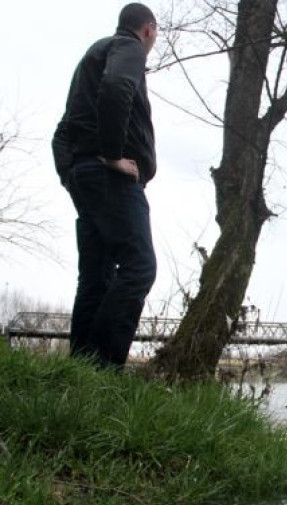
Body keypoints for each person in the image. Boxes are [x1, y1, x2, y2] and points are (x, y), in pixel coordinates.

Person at [52, 3, 159, 369]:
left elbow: (63, 130)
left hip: (85, 176)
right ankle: (102, 369)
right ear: (148, 30)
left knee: (97, 274)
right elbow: (117, 87)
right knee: (139, 266)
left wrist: (70, 173)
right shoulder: (126, 47)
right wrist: (113, 155)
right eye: (154, 36)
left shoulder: (89, 60)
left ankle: (79, 371)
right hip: (111, 177)